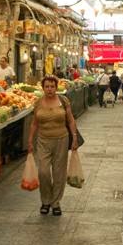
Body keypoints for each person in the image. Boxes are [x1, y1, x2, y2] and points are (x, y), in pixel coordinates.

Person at [27, 75, 79, 216]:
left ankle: (55, 202)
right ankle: (45, 200)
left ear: (56, 88)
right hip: (43, 141)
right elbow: (34, 123)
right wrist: (30, 140)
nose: (50, 89)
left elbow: (71, 121)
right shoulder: (38, 103)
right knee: (43, 172)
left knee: (58, 173)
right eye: (47, 87)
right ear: (43, 88)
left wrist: (74, 138)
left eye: (52, 86)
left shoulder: (63, 100)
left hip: (61, 140)